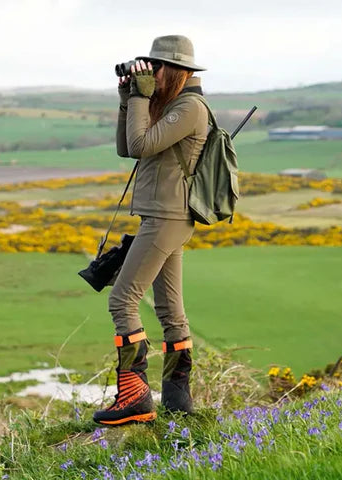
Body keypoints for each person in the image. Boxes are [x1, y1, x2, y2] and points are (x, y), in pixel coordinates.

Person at [93, 35, 208, 426]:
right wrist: (129, 99)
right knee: (169, 309)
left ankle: (134, 396)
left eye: (155, 67)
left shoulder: (190, 107)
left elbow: (142, 145)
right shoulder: (173, 106)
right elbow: (126, 147)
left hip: (167, 216)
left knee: (122, 301)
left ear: (175, 69)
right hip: (161, 215)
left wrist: (142, 98)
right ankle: (179, 400)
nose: (151, 73)